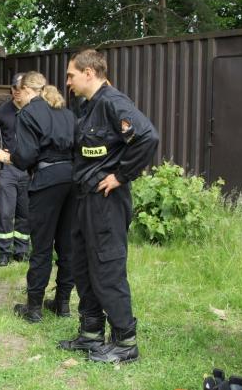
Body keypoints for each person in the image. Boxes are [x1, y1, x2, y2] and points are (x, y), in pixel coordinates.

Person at [58, 49, 159, 363]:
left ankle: (125, 341)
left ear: (89, 73)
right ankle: (90, 334)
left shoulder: (113, 103)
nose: (68, 82)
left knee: (107, 266)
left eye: (71, 75)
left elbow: (147, 137)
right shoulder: (88, 106)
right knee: (82, 264)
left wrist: (120, 175)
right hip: (84, 198)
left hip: (106, 202)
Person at [0, 71, 76, 322]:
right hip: (72, 181)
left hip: (47, 182)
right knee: (67, 246)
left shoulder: (28, 113)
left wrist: (8, 156)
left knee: (42, 247)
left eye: (20, 92)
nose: (18, 97)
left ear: (27, 90)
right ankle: (63, 304)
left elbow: (26, 156)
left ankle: (34, 309)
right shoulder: (66, 113)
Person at [0, 73, 30, 266]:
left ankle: (22, 250)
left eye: (20, 88)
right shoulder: (3, 110)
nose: (17, 92)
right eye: (14, 88)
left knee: (25, 212)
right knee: (5, 212)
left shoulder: (34, 110)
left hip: (28, 168)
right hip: (7, 168)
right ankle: (4, 252)